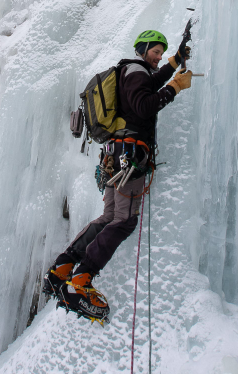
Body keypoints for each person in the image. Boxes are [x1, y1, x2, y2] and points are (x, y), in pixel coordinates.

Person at [43, 30, 193, 322]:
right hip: (130, 155)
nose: (159, 55)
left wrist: (175, 63)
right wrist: (175, 87)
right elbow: (144, 105)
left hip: (116, 154)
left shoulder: (132, 70)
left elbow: (150, 84)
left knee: (109, 216)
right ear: (143, 48)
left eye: (162, 52)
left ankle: (61, 269)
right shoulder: (136, 72)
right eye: (156, 50)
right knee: (123, 220)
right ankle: (81, 279)